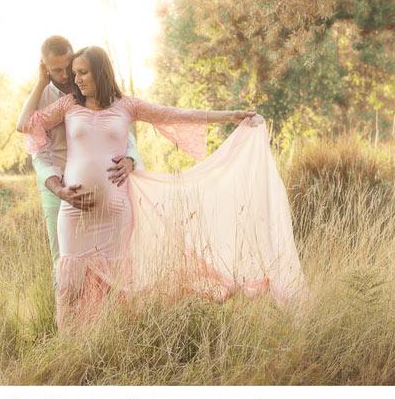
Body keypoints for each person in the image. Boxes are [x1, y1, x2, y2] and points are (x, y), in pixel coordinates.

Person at [20, 45, 307, 330]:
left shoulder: (127, 105)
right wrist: (41, 82)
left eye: (83, 73)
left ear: (100, 72)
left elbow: (176, 114)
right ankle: (71, 344)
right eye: (74, 73)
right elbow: (26, 125)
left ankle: (110, 341)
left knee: (115, 287)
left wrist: (230, 116)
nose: (76, 80)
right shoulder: (69, 105)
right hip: (73, 214)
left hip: (115, 215)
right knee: (71, 283)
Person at [15, 36, 143, 277]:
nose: (65, 76)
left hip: (107, 195)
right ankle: (68, 315)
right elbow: (38, 152)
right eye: (57, 70)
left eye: (68, 67)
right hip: (58, 189)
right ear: (44, 67)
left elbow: (123, 134)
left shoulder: (89, 88)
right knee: (64, 266)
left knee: (113, 265)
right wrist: (59, 190)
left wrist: (131, 160)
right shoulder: (41, 99)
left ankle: (108, 314)